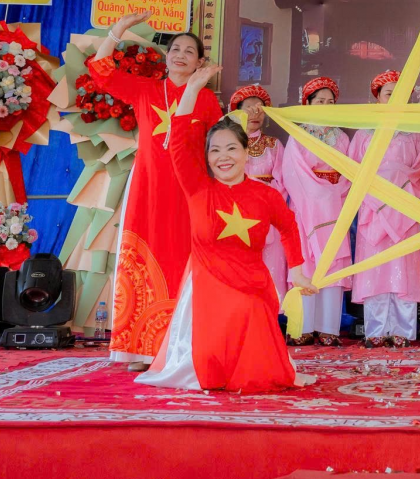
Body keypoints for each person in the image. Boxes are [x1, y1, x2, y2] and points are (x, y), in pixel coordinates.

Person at [137, 64, 316, 393]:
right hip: (207, 286)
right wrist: (192, 89)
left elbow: (289, 227)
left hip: (252, 284)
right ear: (206, 157)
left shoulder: (266, 195)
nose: (223, 157)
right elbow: (178, 142)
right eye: (215, 150)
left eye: (231, 148)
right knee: (211, 365)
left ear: (246, 152)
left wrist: (298, 270)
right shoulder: (198, 188)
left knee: (258, 358)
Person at [88, 11, 222, 372]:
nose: (180, 55)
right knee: (144, 263)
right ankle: (140, 349)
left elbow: (217, 149)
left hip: (188, 191)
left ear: (200, 62)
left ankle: (180, 347)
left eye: (189, 51)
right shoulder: (146, 89)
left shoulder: (206, 101)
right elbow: (101, 71)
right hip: (147, 186)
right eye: (175, 49)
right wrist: (119, 29)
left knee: (181, 261)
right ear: (166, 56)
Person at [348, 70, 420, 346]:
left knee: (404, 267)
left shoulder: (415, 133)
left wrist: (396, 181)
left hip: (404, 205)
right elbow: (353, 169)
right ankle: (375, 330)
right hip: (373, 208)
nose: (394, 99)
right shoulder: (364, 133)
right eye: (389, 94)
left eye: (400, 94)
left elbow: (418, 169)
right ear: (378, 98)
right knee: (376, 268)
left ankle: (402, 331)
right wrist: (377, 190)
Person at [278, 77, 351, 345]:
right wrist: (322, 196)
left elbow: (350, 172)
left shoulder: (342, 137)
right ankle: (303, 327)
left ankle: (328, 328)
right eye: (320, 101)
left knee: (332, 264)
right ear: (307, 103)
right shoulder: (297, 136)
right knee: (306, 263)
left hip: (335, 207)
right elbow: (292, 173)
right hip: (305, 207)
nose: (325, 105)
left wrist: (334, 194)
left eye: (330, 101)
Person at [228, 84, 289, 301]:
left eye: (260, 109)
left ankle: (269, 312)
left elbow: (284, 182)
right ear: (237, 112)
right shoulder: (227, 144)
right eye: (249, 108)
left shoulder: (274, 145)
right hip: (235, 213)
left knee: (270, 265)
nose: (255, 113)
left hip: (269, 213)